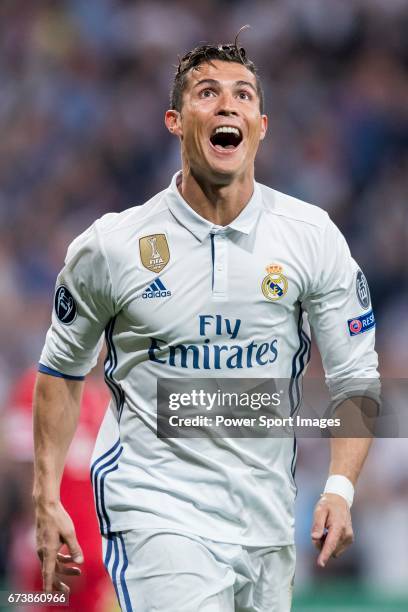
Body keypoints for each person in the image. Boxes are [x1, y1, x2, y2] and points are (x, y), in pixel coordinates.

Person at [33, 37, 379, 612]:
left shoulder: (310, 236)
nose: (227, 106)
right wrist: (46, 497)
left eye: (242, 95)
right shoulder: (112, 246)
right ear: (174, 120)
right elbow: (62, 371)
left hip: (266, 521)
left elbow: (356, 375)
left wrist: (341, 488)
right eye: (207, 93)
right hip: (156, 510)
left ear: (260, 126)